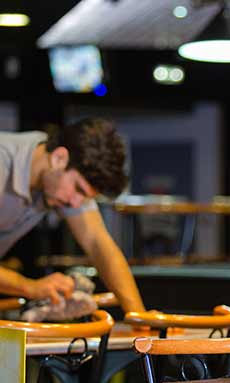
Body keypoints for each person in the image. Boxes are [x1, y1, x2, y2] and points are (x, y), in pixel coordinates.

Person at [0, 117, 145, 313]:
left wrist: (138, 318)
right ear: (59, 158)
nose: (77, 203)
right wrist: (30, 287)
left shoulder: (58, 172)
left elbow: (99, 244)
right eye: (78, 189)